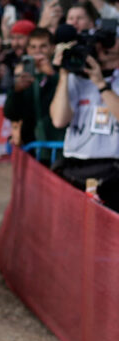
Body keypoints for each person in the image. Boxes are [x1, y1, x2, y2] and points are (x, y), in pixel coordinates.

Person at [48, 24, 119, 210]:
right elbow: (59, 120)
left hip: (113, 170)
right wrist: (64, 74)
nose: (100, 53)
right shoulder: (75, 79)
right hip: (75, 167)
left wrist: (101, 84)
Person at [3, 27, 61, 161]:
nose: (38, 51)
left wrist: (52, 75)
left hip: (58, 151)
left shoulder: (62, 73)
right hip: (32, 151)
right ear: (27, 50)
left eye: (43, 46)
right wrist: (16, 91)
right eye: (33, 47)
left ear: (52, 48)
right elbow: (10, 113)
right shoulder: (23, 78)